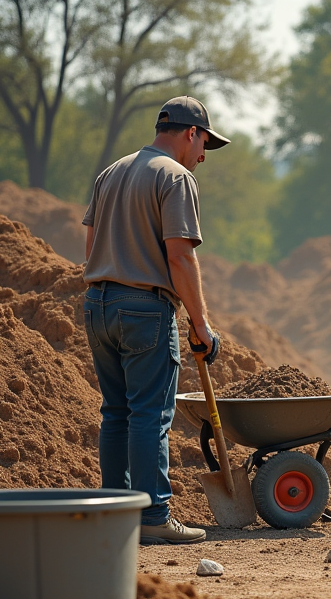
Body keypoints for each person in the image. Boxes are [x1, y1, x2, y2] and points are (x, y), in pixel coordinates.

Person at [82, 96, 229, 545]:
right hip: (144, 309)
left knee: (117, 414)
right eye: (205, 142)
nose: (204, 154)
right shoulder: (175, 177)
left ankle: (114, 513)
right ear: (190, 132)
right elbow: (180, 255)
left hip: (97, 304)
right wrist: (201, 324)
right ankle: (153, 517)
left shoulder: (111, 172)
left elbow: (89, 245)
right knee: (150, 416)